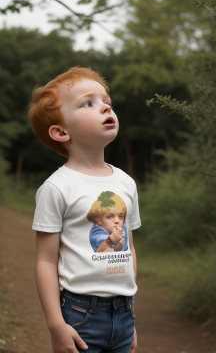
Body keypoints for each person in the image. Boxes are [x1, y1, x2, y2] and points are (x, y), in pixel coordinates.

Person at [28, 67, 141, 353]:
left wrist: (130, 318)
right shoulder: (57, 188)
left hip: (123, 313)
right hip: (80, 314)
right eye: (87, 103)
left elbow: (128, 250)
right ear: (61, 131)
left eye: (107, 102)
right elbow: (45, 261)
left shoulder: (125, 182)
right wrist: (56, 325)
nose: (104, 106)